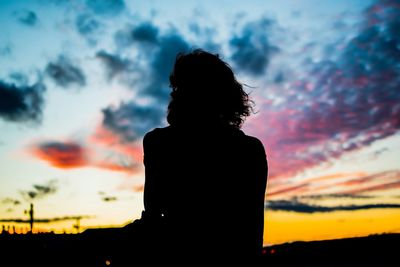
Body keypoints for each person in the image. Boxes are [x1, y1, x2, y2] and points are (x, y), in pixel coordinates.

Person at [139, 49, 268, 264]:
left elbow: (152, 216)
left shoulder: (158, 143)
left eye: (180, 87)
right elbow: (252, 234)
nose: (175, 93)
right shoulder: (249, 149)